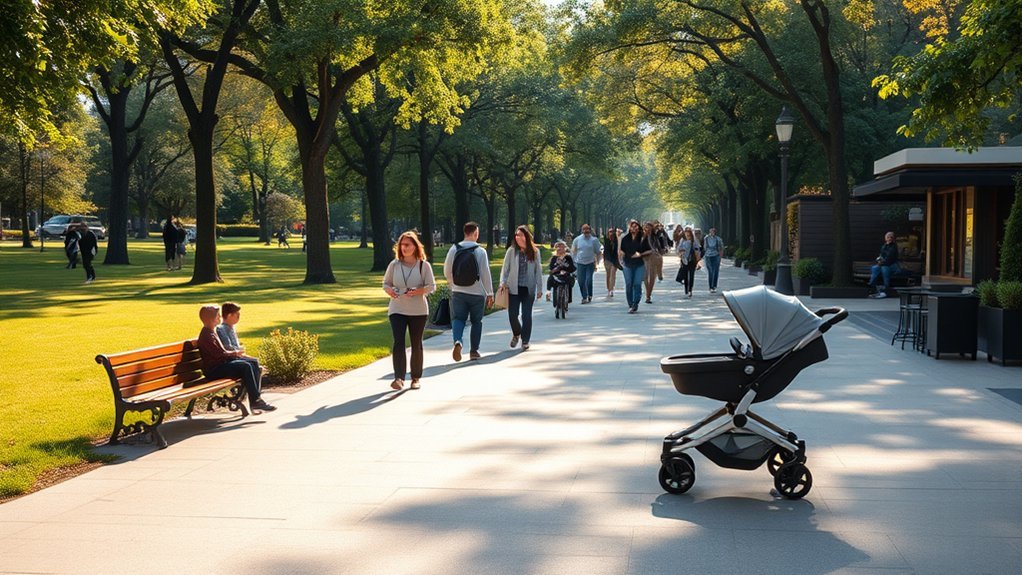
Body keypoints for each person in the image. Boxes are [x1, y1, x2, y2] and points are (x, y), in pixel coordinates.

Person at [197, 304, 275, 412]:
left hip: (220, 364)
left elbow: (221, 354)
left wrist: (234, 354)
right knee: (246, 366)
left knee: (253, 362)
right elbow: (219, 354)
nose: (220, 317)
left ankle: (256, 399)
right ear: (211, 319)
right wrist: (235, 353)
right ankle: (255, 401)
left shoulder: (211, 331)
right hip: (214, 370)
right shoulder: (207, 334)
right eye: (217, 315)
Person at [384, 231, 436, 389]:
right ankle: (399, 378)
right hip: (397, 308)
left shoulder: (423, 265)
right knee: (398, 341)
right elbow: (386, 283)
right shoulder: (394, 265)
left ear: (415, 246)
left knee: (416, 343)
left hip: (418, 310)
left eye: (407, 245)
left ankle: (415, 378)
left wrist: (418, 291)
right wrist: (390, 291)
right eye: (402, 245)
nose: (404, 248)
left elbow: (431, 286)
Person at [443, 221, 494, 362]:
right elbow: (485, 273)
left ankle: (458, 341)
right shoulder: (480, 251)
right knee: (477, 321)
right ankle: (474, 351)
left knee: (458, 319)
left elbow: (447, 271)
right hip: (477, 293)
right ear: (476, 233)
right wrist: (490, 293)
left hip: (458, 292)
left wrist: (453, 283)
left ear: (464, 232)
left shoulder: (454, 249)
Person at [500, 225, 544, 351]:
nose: (517, 237)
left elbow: (538, 271)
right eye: (516, 235)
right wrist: (502, 282)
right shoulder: (511, 251)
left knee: (526, 315)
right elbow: (505, 268)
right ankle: (517, 333)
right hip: (514, 288)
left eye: (520, 235)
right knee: (513, 315)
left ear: (526, 236)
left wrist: (540, 288)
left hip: (528, 289)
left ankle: (525, 340)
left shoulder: (534, 252)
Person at [216, 302, 264, 395]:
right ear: (229, 315)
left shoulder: (231, 328)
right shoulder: (221, 329)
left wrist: (241, 352)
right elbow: (229, 348)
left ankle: (255, 396)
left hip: (236, 357)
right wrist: (240, 352)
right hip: (229, 360)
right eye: (237, 314)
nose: (239, 316)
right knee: (251, 364)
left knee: (255, 362)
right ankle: (255, 396)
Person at [618, 219, 652, 313]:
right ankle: (630, 303)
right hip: (627, 264)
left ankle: (635, 303)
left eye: (636, 226)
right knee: (629, 283)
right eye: (632, 226)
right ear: (629, 228)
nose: (634, 228)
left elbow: (650, 250)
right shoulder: (625, 238)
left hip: (639, 264)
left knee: (637, 283)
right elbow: (621, 251)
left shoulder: (642, 238)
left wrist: (640, 254)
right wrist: (620, 257)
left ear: (638, 227)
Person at [571, 223, 602, 304]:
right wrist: (573, 261)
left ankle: (589, 295)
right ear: (581, 230)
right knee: (581, 281)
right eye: (584, 229)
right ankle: (584, 297)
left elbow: (598, 252)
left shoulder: (594, 240)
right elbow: (573, 251)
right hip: (580, 263)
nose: (586, 231)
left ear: (590, 230)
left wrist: (598, 262)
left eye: (587, 229)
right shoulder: (577, 240)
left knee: (588, 280)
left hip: (590, 263)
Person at [868, 231, 901, 299]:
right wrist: (879, 260)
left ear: (893, 238)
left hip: (892, 265)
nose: (889, 238)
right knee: (875, 268)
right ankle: (871, 286)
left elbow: (889, 257)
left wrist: (881, 263)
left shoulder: (894, 247)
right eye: (888, 237)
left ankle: (886, 288)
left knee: (884, 269)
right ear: (885, 238)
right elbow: (881, 255)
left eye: (891, 237)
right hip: (883, 263)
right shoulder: (884, 246)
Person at [676, 227, 701, 298]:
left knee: (691, 276)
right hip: (684, 260)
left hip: (692, 261)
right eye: (686, 233)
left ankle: (690, 290)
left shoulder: (694, 241)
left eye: (688, 233)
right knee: (685, 276)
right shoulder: (682, 240)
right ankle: (686, 290)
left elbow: (697, 250)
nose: (687, 235)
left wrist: (698, 260)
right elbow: (678, 249)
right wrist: (680, 252)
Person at [641, 221, 662, 304]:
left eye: (649, 227)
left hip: (652, 257)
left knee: (652, 277)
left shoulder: (654, 236)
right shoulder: (641, 235)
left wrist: (658, 251)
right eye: (646, 227)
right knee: (645, 277)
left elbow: (658, 245)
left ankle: (648, 295)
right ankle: (648, 294)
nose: (648, 229)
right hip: (643, 257)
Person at [701, 227, 724, 293]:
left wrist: (720, 257)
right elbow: (705, 247)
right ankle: (711, 286)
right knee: (710, 271)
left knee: (715, 271)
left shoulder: (718, 239)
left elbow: (721, 248)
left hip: (716, 256)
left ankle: (714, 286)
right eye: (711, 231)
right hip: (708, 256)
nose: (712, 232)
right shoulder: (706, 238)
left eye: (713, 231)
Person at [603, 228, 621, 297]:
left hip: (614, 260)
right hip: (607, 259)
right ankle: (609, 289)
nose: (611, 233)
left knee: (613, 274)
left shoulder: (616, 240)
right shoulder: (606, 240)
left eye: (612, 232)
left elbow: (619, 248)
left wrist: (618, 236)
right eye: (610, 232)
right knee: (608, 275)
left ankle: (611, 289)